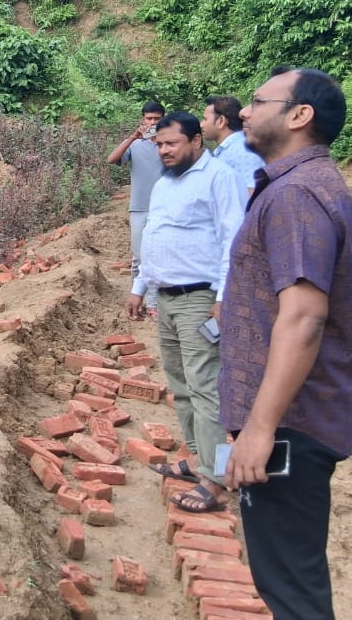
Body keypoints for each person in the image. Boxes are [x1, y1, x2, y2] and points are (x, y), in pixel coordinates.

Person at [220, 67, 352, 620]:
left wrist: (260, 430)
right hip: (293, 420)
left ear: (299, 115)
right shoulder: (297, 187)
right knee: (286, 577)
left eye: (258, 101)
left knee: (291, 590)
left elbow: (305, 317)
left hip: (291, 424)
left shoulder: (297, 195)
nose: (244, 110)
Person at [124, 111, 244, 513]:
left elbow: (233, 241)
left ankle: (217, 479)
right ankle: (198, 459)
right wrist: (140, 287)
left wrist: (224, 297)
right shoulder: (164, 183)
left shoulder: (217, 178)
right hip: (168, 298)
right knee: (180, 384)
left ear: (196, 141)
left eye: (171, 143)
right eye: (158, 144)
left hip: (199, 298)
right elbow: (155, 236)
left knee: (205, 385)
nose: (163, 151)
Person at [107, 100, 166, 313]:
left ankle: (154, 303)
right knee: (139, 256)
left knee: (159, 254)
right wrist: (133, 137)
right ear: (142, 120)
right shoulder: (134, 144)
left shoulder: (168, 144)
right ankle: (137, 299)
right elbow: (112, 159)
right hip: (140, 207)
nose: (152, 122)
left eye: (157, 119)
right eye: (149, 118)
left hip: (165, 207)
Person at [201, 95, 265, 200]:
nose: (201, 125)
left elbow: (252, 192)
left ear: (221, 121)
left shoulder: (243, 149)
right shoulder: (229, 149)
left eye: (205, 119)